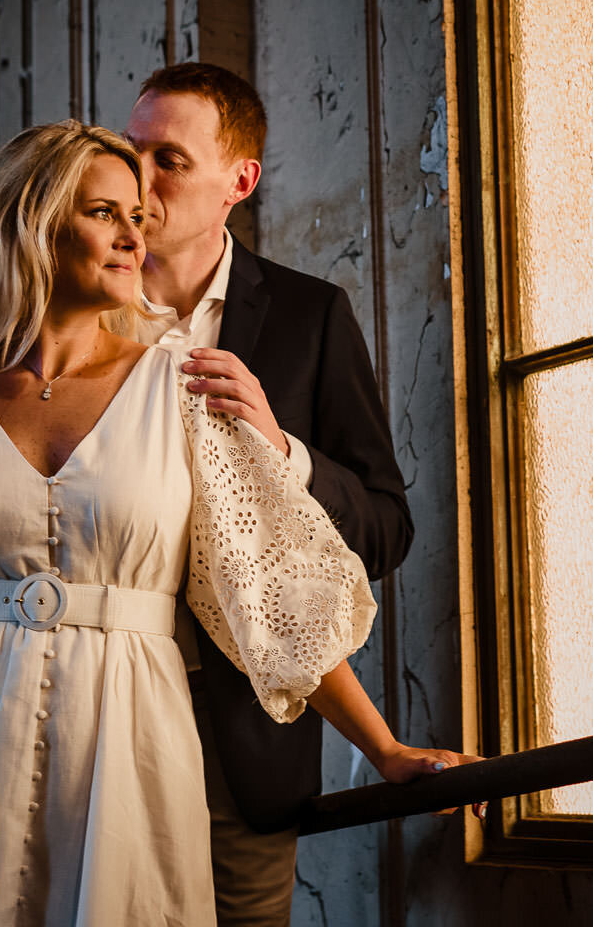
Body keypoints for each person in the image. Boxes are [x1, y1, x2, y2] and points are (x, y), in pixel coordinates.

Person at [0, 120, 472, 925]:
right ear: (31, 223)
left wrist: (385, 750)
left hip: (126, 740)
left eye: (138, 218)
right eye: (105, 213)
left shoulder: (185, 391)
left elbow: (270, 595)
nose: (131, 237)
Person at [124, 63, 431, 924]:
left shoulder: (310, 316)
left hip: (249, 742)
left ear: (239, 180)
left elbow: (386, 529)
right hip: (98, 708)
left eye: (170, 160)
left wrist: (280, 446)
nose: (138, 182)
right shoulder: (78, 319)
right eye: (130, 152)